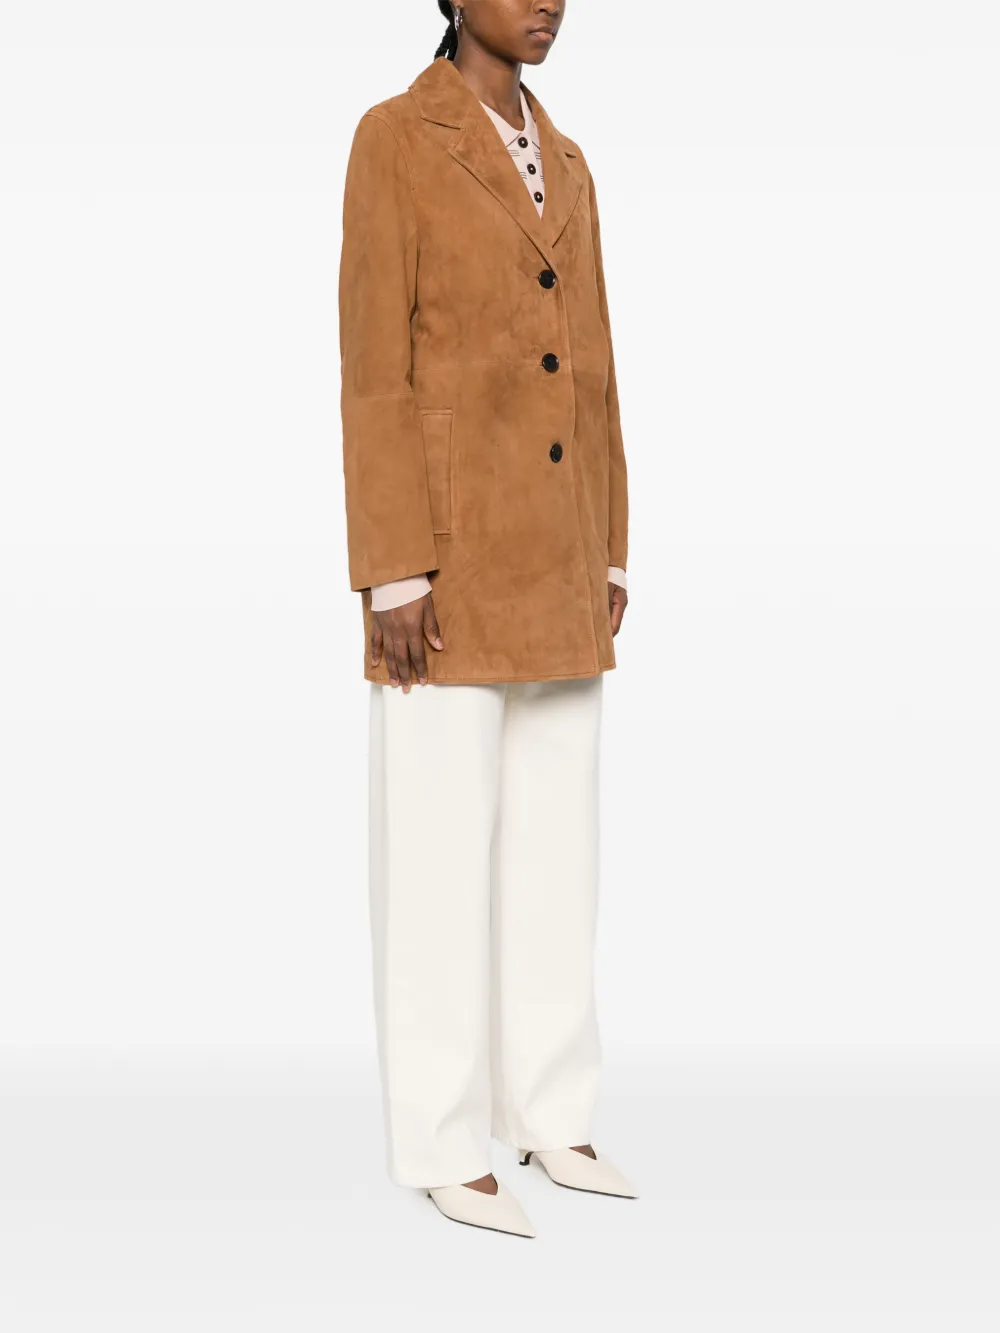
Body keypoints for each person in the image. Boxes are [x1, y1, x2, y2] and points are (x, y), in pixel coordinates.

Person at [338, 0, 635, 1237]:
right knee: (437, 858)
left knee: (558, 851)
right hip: (447, 566)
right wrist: (391, 571)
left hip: (558, 553)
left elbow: (597, 361)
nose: (548, 1)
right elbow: (373, 366)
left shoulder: (568, 157)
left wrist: (608, 542)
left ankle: (551, 1113)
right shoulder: (393, 137)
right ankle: (441, 1138)